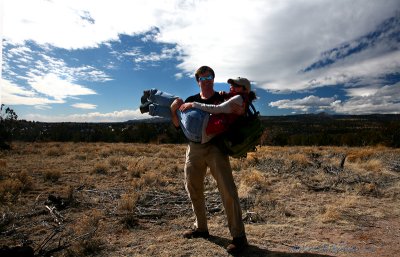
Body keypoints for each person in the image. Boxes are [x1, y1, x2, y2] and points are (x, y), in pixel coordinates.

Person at [170, 66, 249, 253]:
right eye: (202, 78)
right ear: (198, 81)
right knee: (193, 188)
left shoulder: (222, 98)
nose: (206, 80)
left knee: (227, 189)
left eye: (209, 77)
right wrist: (174, 112)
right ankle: (201, 228)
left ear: (213, 79)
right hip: (194, 148)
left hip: (216, 147)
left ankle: (239, 237)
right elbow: (178, 126)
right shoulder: (190, 100)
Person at [140, 79, 256, 144]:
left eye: (236, 85)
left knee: (178, 101)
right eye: (231, 84)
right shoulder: (245, 105)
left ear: (244, 89)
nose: (232, 86)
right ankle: (150, 108)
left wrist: (193, 104)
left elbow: (217, 110)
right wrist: (224, 96)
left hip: (200, 124)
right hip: (198, 137)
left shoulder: (238, 99)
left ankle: (150, 94)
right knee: (176, 110)